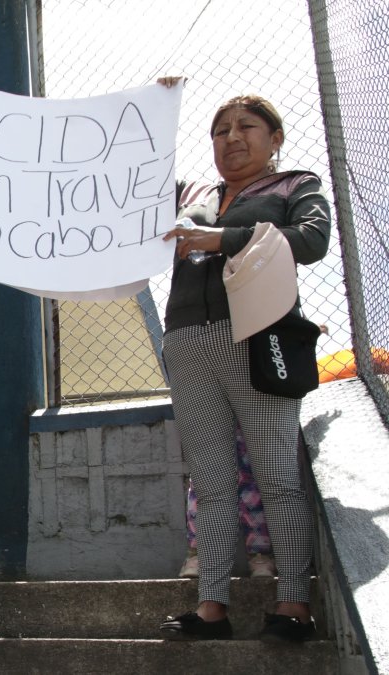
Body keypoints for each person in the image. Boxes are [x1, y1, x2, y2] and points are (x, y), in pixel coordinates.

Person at [157, 94, 330, 643]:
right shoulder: (191, 193)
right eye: (220, 130)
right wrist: (151, 105)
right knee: (209, 482)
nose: (231, 138)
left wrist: (225, 239)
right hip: (187, 341)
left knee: (278, 474)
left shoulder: (295, 186)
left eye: (246, 127)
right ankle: (212, 608)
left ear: (274, 138)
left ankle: (293, 605)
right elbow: (124, 190)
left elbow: (311, 241)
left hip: (258, 337)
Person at [179, 429, 276, 579]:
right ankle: (197, 555)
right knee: (203, 477)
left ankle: (260, 555)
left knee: (251, 476)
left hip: (252, 414)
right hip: (208, 413)